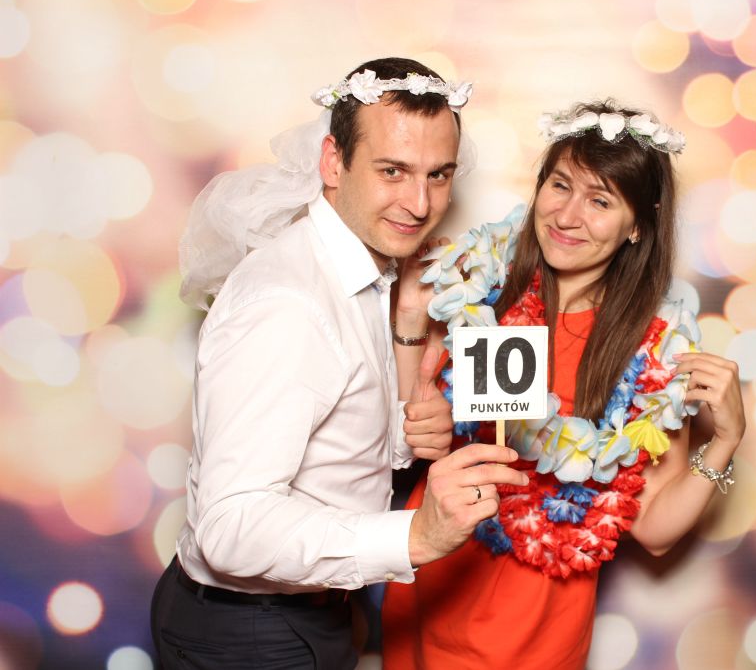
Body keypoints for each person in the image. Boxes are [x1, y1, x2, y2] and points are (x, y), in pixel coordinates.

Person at [150, 57, 528, 670]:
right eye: (392, 171)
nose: (420, 203)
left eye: (438, 175)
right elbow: (230, 525)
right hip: (249, 633)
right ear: (332, 162)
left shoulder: (365, 270)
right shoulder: (288, 303)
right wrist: (415, 535)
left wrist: (406, 417)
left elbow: (347, 448)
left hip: (311, 612)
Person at [381, 100, 746, 669]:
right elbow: (409, 430)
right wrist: (410, 321)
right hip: (432, 592)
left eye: (600, 201)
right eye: (560, 185)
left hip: (539, 631)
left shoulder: (651, 353)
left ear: (637, 226)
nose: (567, 216)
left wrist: (724, 441)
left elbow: (653, 529)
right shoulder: (478, 292)